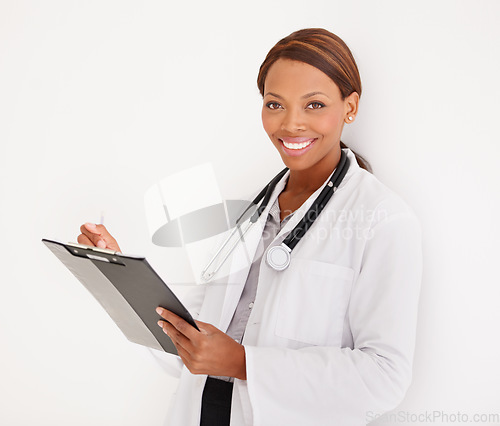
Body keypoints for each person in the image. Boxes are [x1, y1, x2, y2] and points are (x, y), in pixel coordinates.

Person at [78, 28, 422, 426]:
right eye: (275, 104)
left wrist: (245, 363)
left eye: (314, 104)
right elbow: (193, 346)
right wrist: (119, 273)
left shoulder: (383, 220)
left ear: (350, 106)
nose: (291, 124)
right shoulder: (252, 213)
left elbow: (385, 377)